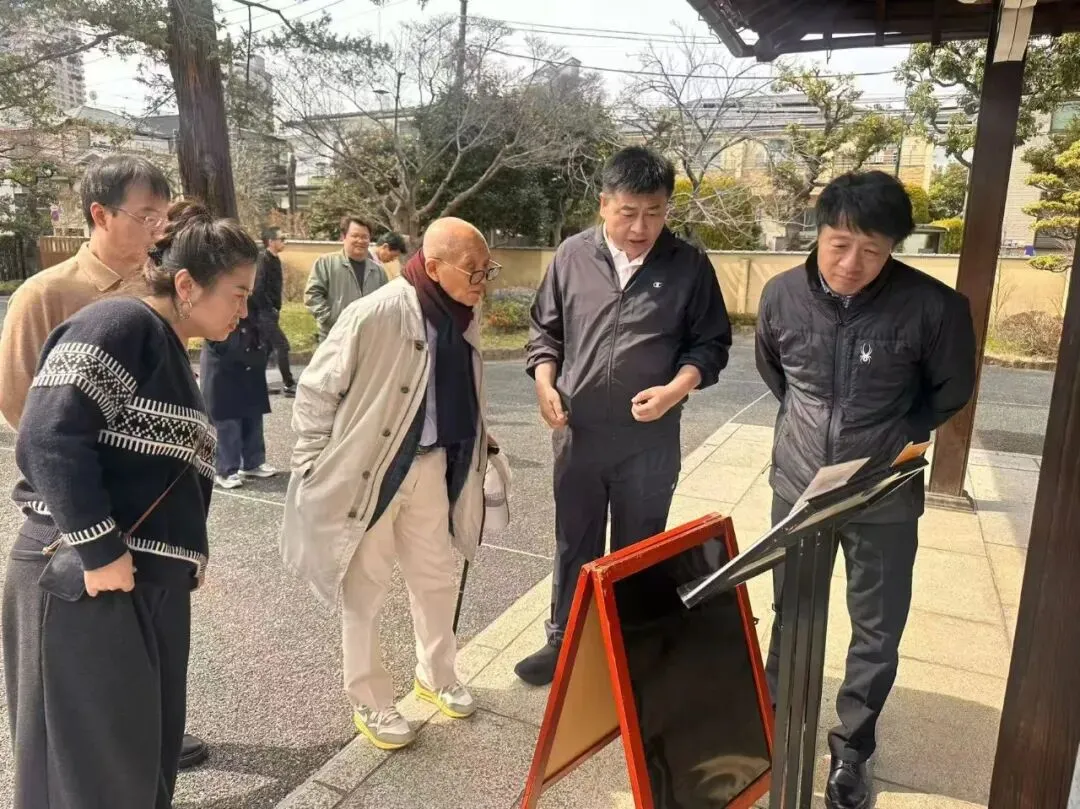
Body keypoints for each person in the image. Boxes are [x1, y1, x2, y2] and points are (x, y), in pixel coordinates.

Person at [2, 201, 259, 809]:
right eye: (238, 294)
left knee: (140, 757)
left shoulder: (167, 348)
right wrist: (99, 548)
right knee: (97, 772)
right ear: (189, 285)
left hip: (135, 585)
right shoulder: (121, 323)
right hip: (89, 582)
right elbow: (47, 434)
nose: (245, 311)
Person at [755, 171, 976, 809]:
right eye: (840, 245)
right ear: (818, 234)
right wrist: (811, 440)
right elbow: (779, 374)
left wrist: (887, 445)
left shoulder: (934, 308)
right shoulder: (781, 296)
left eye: (872, 251)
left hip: (882, 495)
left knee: (876, 628)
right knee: (792, 612)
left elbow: (950, 391)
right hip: (797, 485)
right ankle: (774, 720)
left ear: (893, 249)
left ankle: (852, 750)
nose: (852, 263)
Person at [515, 146, 732, 686]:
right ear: (604, 204)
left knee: (639, 545)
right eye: (628, 212)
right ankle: (563, 640)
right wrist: (545, 381)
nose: (641, 226)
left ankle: (631, 648)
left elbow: (710, 345)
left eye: (654, 212)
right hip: (579, 434)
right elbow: (545, 331)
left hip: (649, 440)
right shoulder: (571, 257)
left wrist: (675, 391)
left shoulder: (688, 265)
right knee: (575, 541)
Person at [281, 217, 499, 751]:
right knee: (365, 589)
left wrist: (483, 445)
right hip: (373, 471)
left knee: (437, 577)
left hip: (429, 466)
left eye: (485, 269)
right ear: (433, 264)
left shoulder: (461, 314)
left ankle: (436, 673)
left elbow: (464, 392)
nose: (481, 281)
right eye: (473, 270)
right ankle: (371, 701)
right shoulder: (376, 310)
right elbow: (316, 389)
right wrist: (312, 463)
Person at [200, 307, 277, 490]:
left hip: (251, 352)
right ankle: (225, 469)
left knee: (253, 415)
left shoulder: (253, 297)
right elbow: (215, 336)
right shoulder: (219, 298)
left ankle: (253, 462)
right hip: (225, 362)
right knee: (227, 420)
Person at [304, 215, 388, 339]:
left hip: (368, 339)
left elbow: (386, 303)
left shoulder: (378, 271)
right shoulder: (326, 262)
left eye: (365, 237)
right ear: (343, 237)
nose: (360, 240)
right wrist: (329, 319)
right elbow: (312, 295)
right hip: (334, 337)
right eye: (355, 236)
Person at [253, 226, 297, 397]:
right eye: (281, 239)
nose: (284, 242)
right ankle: (289, 384)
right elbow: (258, 289)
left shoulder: (274, 259)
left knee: (266, 348)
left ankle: (258, 385)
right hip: (264, 313)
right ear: (271, 241)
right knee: (282, 345)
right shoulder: (263, 260)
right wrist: (269, 308)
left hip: (271, 312)